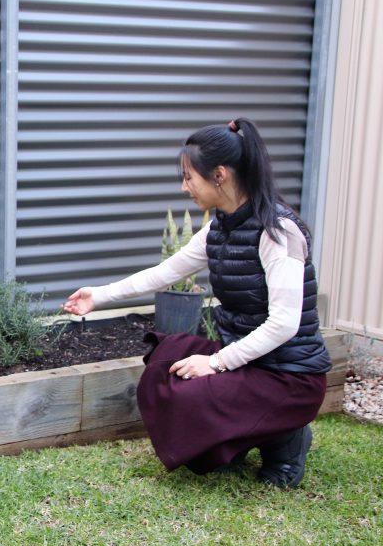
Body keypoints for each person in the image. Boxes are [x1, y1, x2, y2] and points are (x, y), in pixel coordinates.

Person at [63, 118, 331, 488]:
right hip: (248, 364)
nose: (184, 186)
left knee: (194, 394)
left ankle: (285, 438)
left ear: (219, 175)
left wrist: (216, 362)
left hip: (289, 377)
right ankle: (233, 443)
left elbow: (284, 324)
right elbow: (164, 272)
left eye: (190, 177)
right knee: (164, 363)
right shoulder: (220, 227)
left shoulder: (278, 232)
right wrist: (100, 295)